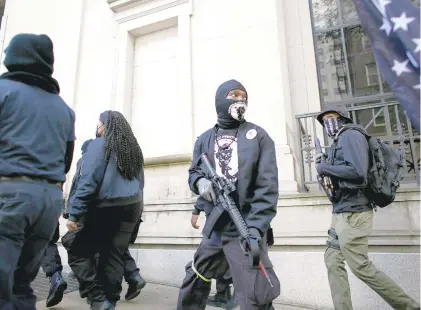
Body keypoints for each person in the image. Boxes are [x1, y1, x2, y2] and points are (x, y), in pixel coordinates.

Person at [176, 79, 281, 310]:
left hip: (245, 226)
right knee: (195, 277)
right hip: (216, 227)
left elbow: (268, 186)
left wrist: (255, 228)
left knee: (255, 293)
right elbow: (194, 172)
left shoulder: (259, 136)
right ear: (221, 100)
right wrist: (202, 184)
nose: (240, 100)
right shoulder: (205, 139)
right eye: (233, 95)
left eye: (243, 96)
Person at [315, 106, 420, 310]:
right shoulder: (339, 140)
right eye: (325, 119)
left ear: (343, 118)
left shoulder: (351, 135)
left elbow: (358, 173)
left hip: (354, 213)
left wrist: (324, 168)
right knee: (332, 259)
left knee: (360, 266)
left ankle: (410, 307)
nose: (329, 122)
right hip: (341, 211)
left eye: (332, 117)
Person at [0, 33, 76, 309]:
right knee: (21, 286)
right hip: (47, 203)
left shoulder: (3, 92)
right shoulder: (64, 110)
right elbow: (65, 162)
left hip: (9, 195)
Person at [65, 110, 144, 310]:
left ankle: (98, 298)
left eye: (99, 124)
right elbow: (140, 183)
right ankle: (111, 301)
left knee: (76, 250)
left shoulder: (99, 145)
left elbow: (88, 181)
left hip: (107, 207)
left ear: (104, 127)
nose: (97, 128)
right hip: (133, 206)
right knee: (114, 256)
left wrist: (74, 212)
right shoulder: (133, 149)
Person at [42, 139, 93, 308]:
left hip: (27, 190)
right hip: (53, 192)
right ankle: (56, 276)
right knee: (47, 239)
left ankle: (56, 277)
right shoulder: (60, 133)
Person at [190, 198, 238, 310]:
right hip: (217, 214)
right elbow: (205, 185)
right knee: (211, 256)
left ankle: (239, 294)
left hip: (239, 214)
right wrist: (197, 209)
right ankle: (222, 294)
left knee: (237, 256)